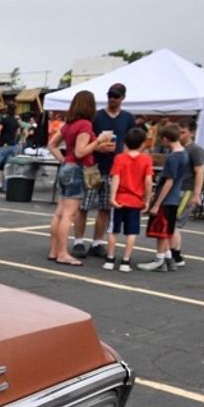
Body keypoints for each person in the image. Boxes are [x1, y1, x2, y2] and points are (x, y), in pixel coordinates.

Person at [72, 83, 136, 259]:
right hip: (93, 167)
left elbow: (132, 142)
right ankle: (78, 241)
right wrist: (97, 148)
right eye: (110, 96)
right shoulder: (96, 117)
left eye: (115, 96)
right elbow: (85, 141)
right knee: (84, 206)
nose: (112, 99)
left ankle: (97, 242)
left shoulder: (128, 118)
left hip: (114, 169)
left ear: (123, 98)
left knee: (105, 207)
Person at [47, 91, 110, 265]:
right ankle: (62, 253)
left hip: (67, 167)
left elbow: (52, 144)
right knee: (69, 214)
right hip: (77, 169)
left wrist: (63, 160)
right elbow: (80, 152)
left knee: (60, 213)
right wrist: (99, 141)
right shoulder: (85, 124)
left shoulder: (68, 124)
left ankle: (54, 250)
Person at [137, 123, 190, 272]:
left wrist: (156, 203)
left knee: (161, 231)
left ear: (166, 139)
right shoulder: (184, 153)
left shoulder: (173, 157)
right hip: (174, 198)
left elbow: (169, 181)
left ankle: (159, 259)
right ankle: (167, 257)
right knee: (168, 230)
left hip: (167, 199)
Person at [103, 126, 153, 273]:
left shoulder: (120, 158)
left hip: (120, 198)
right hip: (135, 200)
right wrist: (147, 199)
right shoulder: (146, 160)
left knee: (113, 230)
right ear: (143, 144)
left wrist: (112, 197)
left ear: (125, 142)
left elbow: (115, 178)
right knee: (131, 232)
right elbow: (148, 181)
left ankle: (110, 258)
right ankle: (126, 260)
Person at [169, 118, 204, 268]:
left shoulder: (195, 150)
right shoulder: (178, 148)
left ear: (192, 132)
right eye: (179, 132)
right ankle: (174, 253)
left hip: (186, 190)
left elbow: (199, 172)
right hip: (178, 189)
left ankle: (175, 255)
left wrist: (196, 194)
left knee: (173, 223)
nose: (180, 135)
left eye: (183, 132)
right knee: (172, 223)